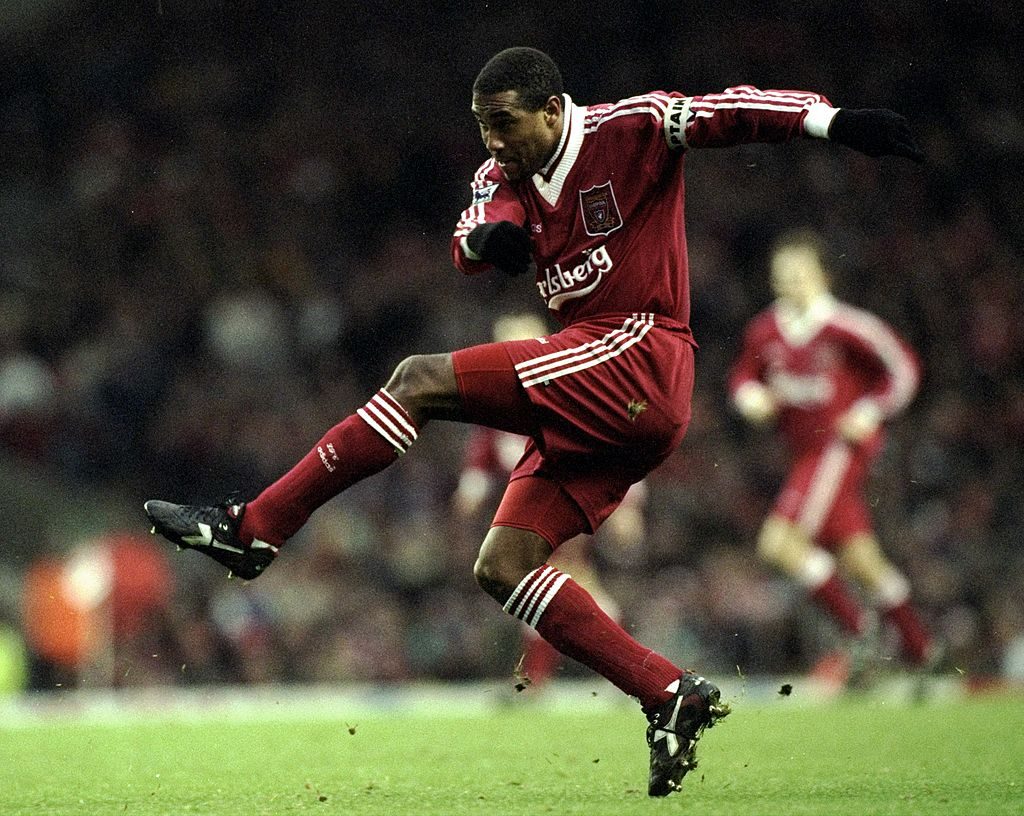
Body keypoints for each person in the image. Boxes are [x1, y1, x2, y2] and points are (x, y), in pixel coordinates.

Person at [145, 47, 923, 796]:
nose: (492, 141)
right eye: (483, 126)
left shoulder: (633, 129)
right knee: (502, 565)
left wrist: (832, 121)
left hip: (640, 352)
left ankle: (255, 529)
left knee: (417, 380)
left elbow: (728, 112)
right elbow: (471, 234)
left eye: (505, 124)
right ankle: (668, 692)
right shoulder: (501, 170)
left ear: (553, 110)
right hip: (597, 391)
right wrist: (489, 240)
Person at [728, 231, 936, 682]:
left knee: (779, 545)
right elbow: (744, 375)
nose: (791, 282)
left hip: (835, 451)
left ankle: (862, 636)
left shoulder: (847, 326)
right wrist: (750, 398)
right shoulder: (765, 329)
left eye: (800, 273)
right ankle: (923, 652)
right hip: (802, 454)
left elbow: (902, 367)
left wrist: (869, 410)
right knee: (863, 561)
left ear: (823, 275)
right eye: (782, 275)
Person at [452, 311, 645, 691]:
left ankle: (542, 681)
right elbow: (484, 450)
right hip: (529, 509)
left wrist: (628, 504)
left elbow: (616, 444)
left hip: (568, 503)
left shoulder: (575, 391)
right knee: (558, 589)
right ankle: (627, 672)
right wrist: (471, 487)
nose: (511, 352)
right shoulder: (499, 403)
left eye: (520, 340)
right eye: (503, 343)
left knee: (538, 584)